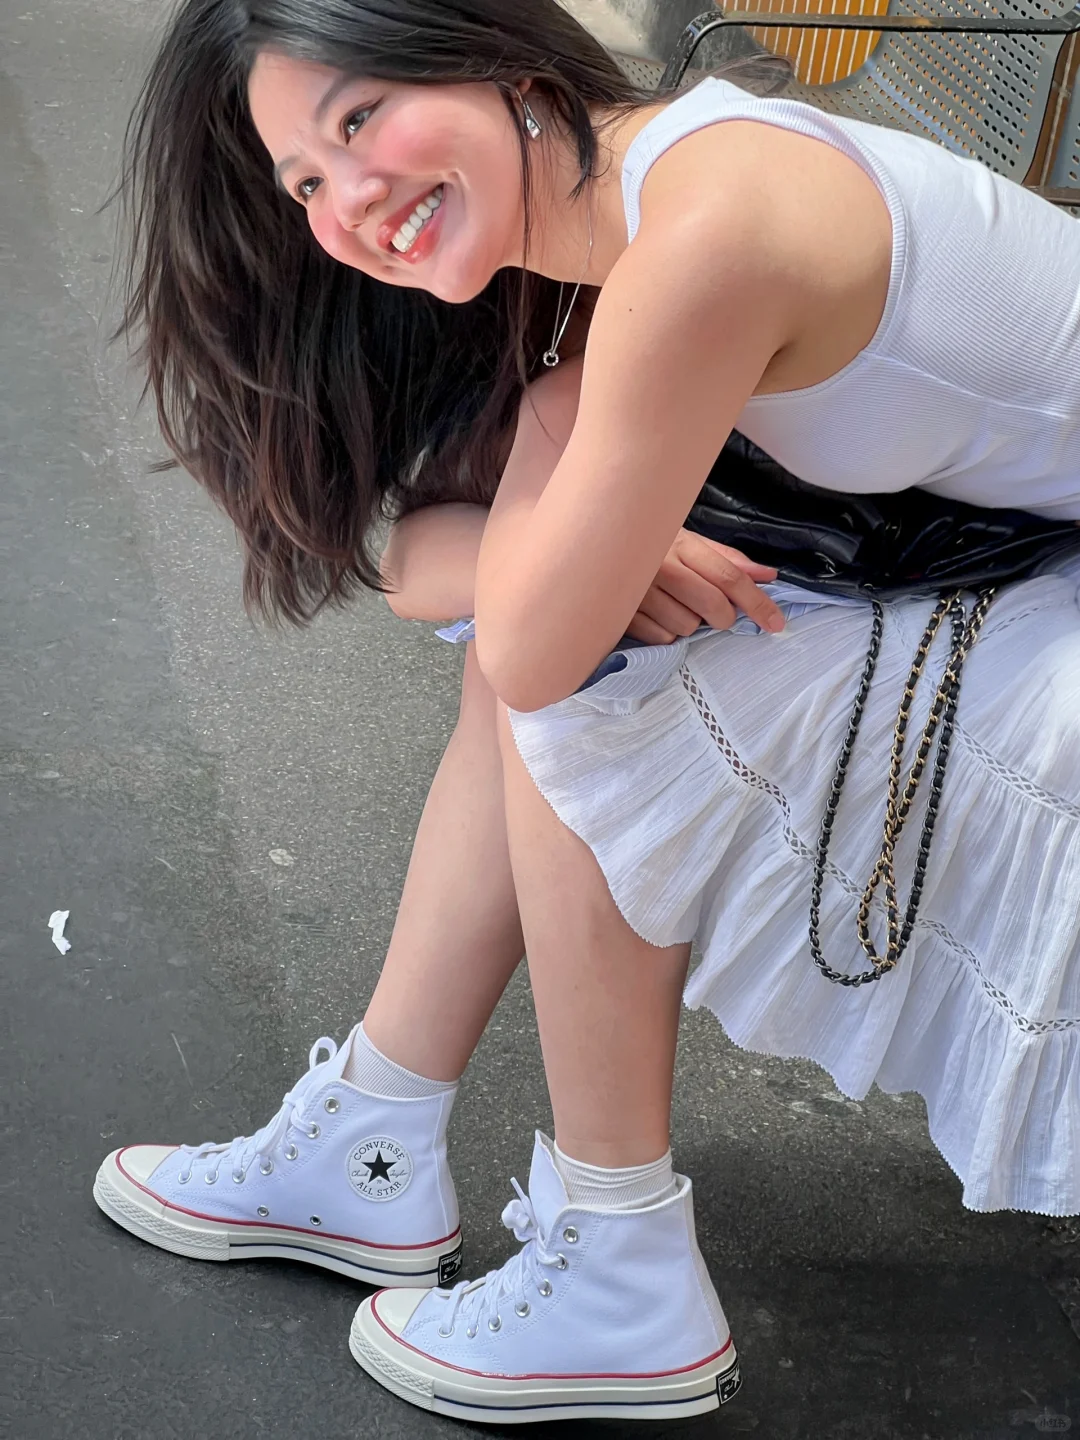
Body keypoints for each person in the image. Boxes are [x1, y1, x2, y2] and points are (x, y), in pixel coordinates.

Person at [93, 0, 1080, 1423]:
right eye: (304, 180)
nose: (348, 201)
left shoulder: (706, 234)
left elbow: (533, 643)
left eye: (361, 120)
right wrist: (566, 524)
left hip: (1031, 584)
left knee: (595, 690)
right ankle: (376, 1139)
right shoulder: (621, 232)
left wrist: (559, 484)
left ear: (487, 58)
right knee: (569, 635)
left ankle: (619, 1264)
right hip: (1010, 556)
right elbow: (438, 562)